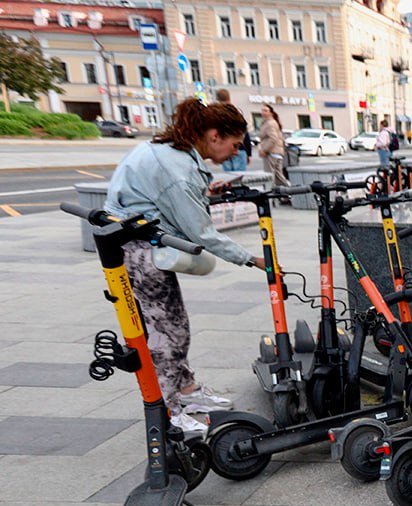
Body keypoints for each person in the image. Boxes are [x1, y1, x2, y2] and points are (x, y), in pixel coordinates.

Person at [104, 98, 268, 432]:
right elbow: (201, 232)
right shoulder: (178, 171)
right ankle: (165, 411)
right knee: (170, 332)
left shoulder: (169, 151)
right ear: (213, 135)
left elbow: (164, 198)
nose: (235, 153)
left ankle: (187, 389)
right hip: (139, 249)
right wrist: (251, 259)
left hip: (131, 241)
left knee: (171, 322)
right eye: (235, 145)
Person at [215, 89, 251, 172]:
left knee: (228, 178)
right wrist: (248, 152)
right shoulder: (235, 112)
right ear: (229, 98)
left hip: (224, 149)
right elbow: (244, 132)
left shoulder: (216, 115)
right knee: (239, 177)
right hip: (239, 149)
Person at [258, 103, 289, 188]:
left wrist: (265, 150)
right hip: (276, 152)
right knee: (278, 175)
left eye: (265, 111)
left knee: (270, 176)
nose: (263, 112)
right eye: (262, 110)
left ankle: (274, 194)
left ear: (271, 113)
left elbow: (273, 138)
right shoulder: (269, 122)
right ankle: (288, 192)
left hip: (271, 153)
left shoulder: (270, 123)